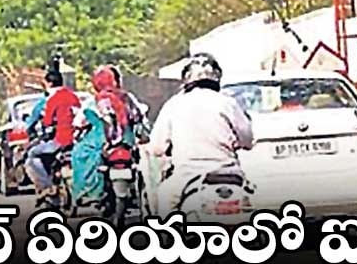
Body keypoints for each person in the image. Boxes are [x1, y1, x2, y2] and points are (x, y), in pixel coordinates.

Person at [149, 53, 253, 215]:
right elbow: (248, 140)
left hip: (187, 177)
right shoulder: (228, 103)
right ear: (217, 77)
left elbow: (157, 147)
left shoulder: (174, 104)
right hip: (230, 175)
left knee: (162, 206)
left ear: (186, 79)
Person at [71, 65, 150, 206]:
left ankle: (89, 191)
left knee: (78, 154)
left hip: (103, 145)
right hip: (127, 142)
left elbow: (78, 122)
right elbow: (139, 116)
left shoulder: (92, 102)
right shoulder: (127, 98)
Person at [24, 68, 82, 198]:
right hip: (77, 140)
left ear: (49, 83)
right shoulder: (73, 97)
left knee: (32, 154)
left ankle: (47, 187)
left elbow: (47, 122)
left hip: (61, 140)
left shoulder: (52, 99)